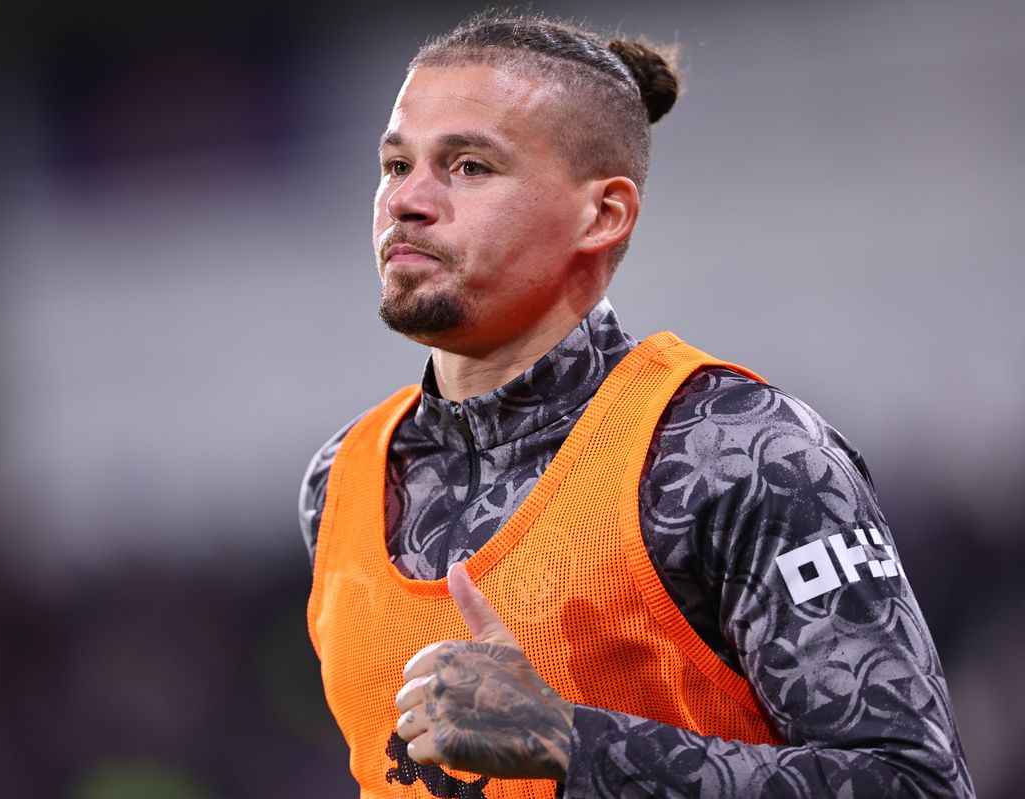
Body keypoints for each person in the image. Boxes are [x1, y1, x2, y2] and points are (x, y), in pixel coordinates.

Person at [300, 11, 973, 798]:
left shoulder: (736, 452)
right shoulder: (339, 482)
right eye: (393, 164)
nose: (406, 200)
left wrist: (571, 741)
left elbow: (914, 783)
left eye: (469, 166)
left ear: (603, 213)